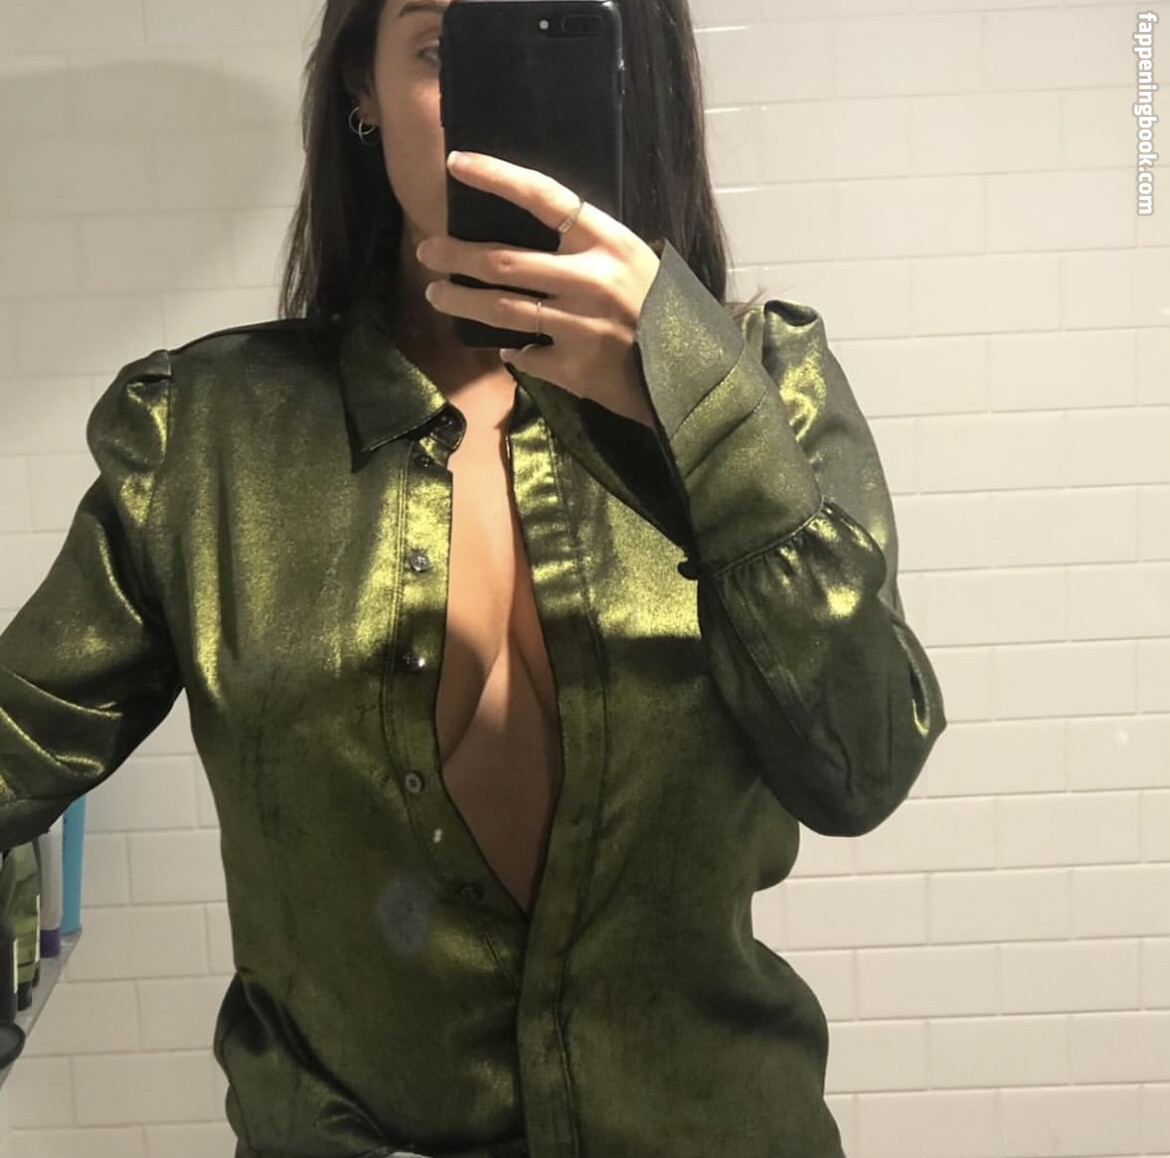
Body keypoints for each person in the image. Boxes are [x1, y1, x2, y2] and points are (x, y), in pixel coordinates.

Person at [0, 0, 948, 1156]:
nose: (494, 110)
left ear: (633, 77)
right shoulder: (205, 442)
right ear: (362, 88)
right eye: (443, 48)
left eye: (559, 32)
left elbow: (862, 766)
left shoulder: (765, 393)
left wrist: (687, 397)